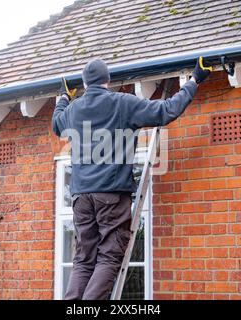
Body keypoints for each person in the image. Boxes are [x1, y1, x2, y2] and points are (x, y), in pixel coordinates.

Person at [52, 57, 211, 300]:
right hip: (111, 195)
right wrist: (194, 80)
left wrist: (64, 96)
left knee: (83, 260)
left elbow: (56, 123)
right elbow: (166, 110)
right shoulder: (121, 103)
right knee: (108, 257)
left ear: (84, 83)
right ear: (107, 80)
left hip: (80, 197)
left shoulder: (74, 109)